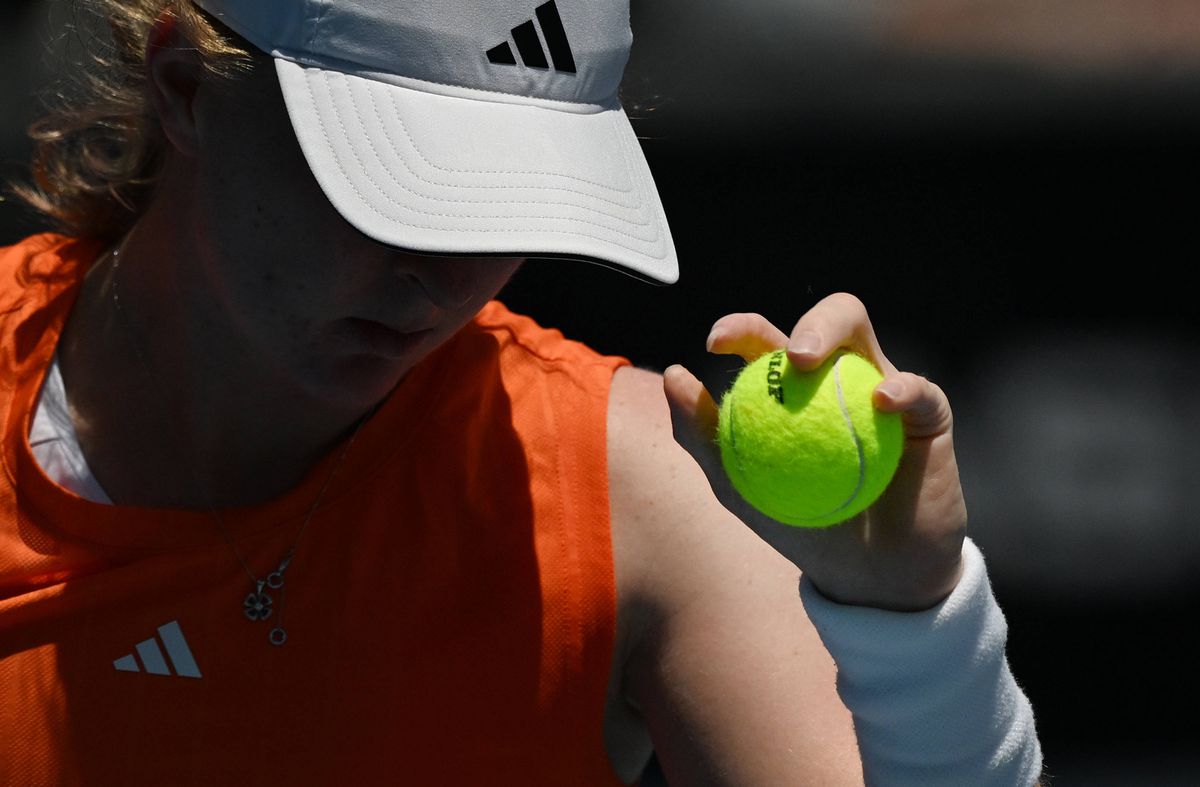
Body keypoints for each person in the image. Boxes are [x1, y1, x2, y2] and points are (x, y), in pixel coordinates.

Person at [0, 1, 1043, 784]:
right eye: (396, 187)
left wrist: (913, 627)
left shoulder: (645, 494)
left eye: (506, 198)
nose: (445, 274)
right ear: (186, 87)